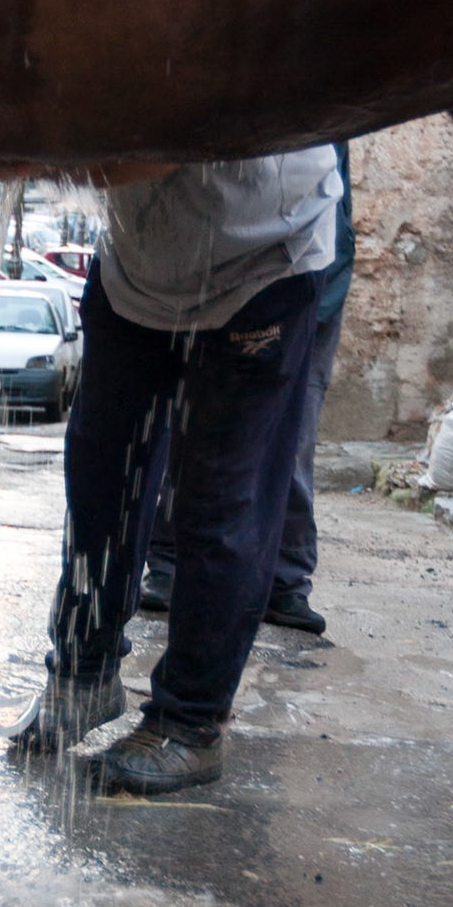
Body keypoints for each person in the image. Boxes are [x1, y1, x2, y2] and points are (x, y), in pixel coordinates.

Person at [14, 149, 343, 794]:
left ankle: (190, 721)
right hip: (137, 259)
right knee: (101, 477)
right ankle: (83, 676)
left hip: (260, 256)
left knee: (222, 500)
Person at [139, 142, 354, 635]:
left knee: (293, 437)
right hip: (215, 266)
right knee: (188, 421)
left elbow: (333, 194)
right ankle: (169, 563)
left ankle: (285, 579)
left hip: (308, 277)